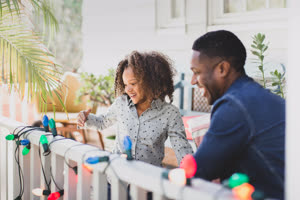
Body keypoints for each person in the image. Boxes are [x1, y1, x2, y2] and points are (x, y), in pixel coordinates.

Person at [190, 30, 285, 199]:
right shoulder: (258, 96)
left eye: (197, 72)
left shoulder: (234, 106)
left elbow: (198, 170)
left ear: (222, 69)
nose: (192, 81)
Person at [77, 51, 193, 167]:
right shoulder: (121, 104)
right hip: (117, 177)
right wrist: (86, 119)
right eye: (125, 84)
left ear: (152, 81)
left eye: (133, 83)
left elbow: (182, 149)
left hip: (147, 180)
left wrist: (192, 172)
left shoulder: (170, 113)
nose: (127, 89)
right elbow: (102, 122)